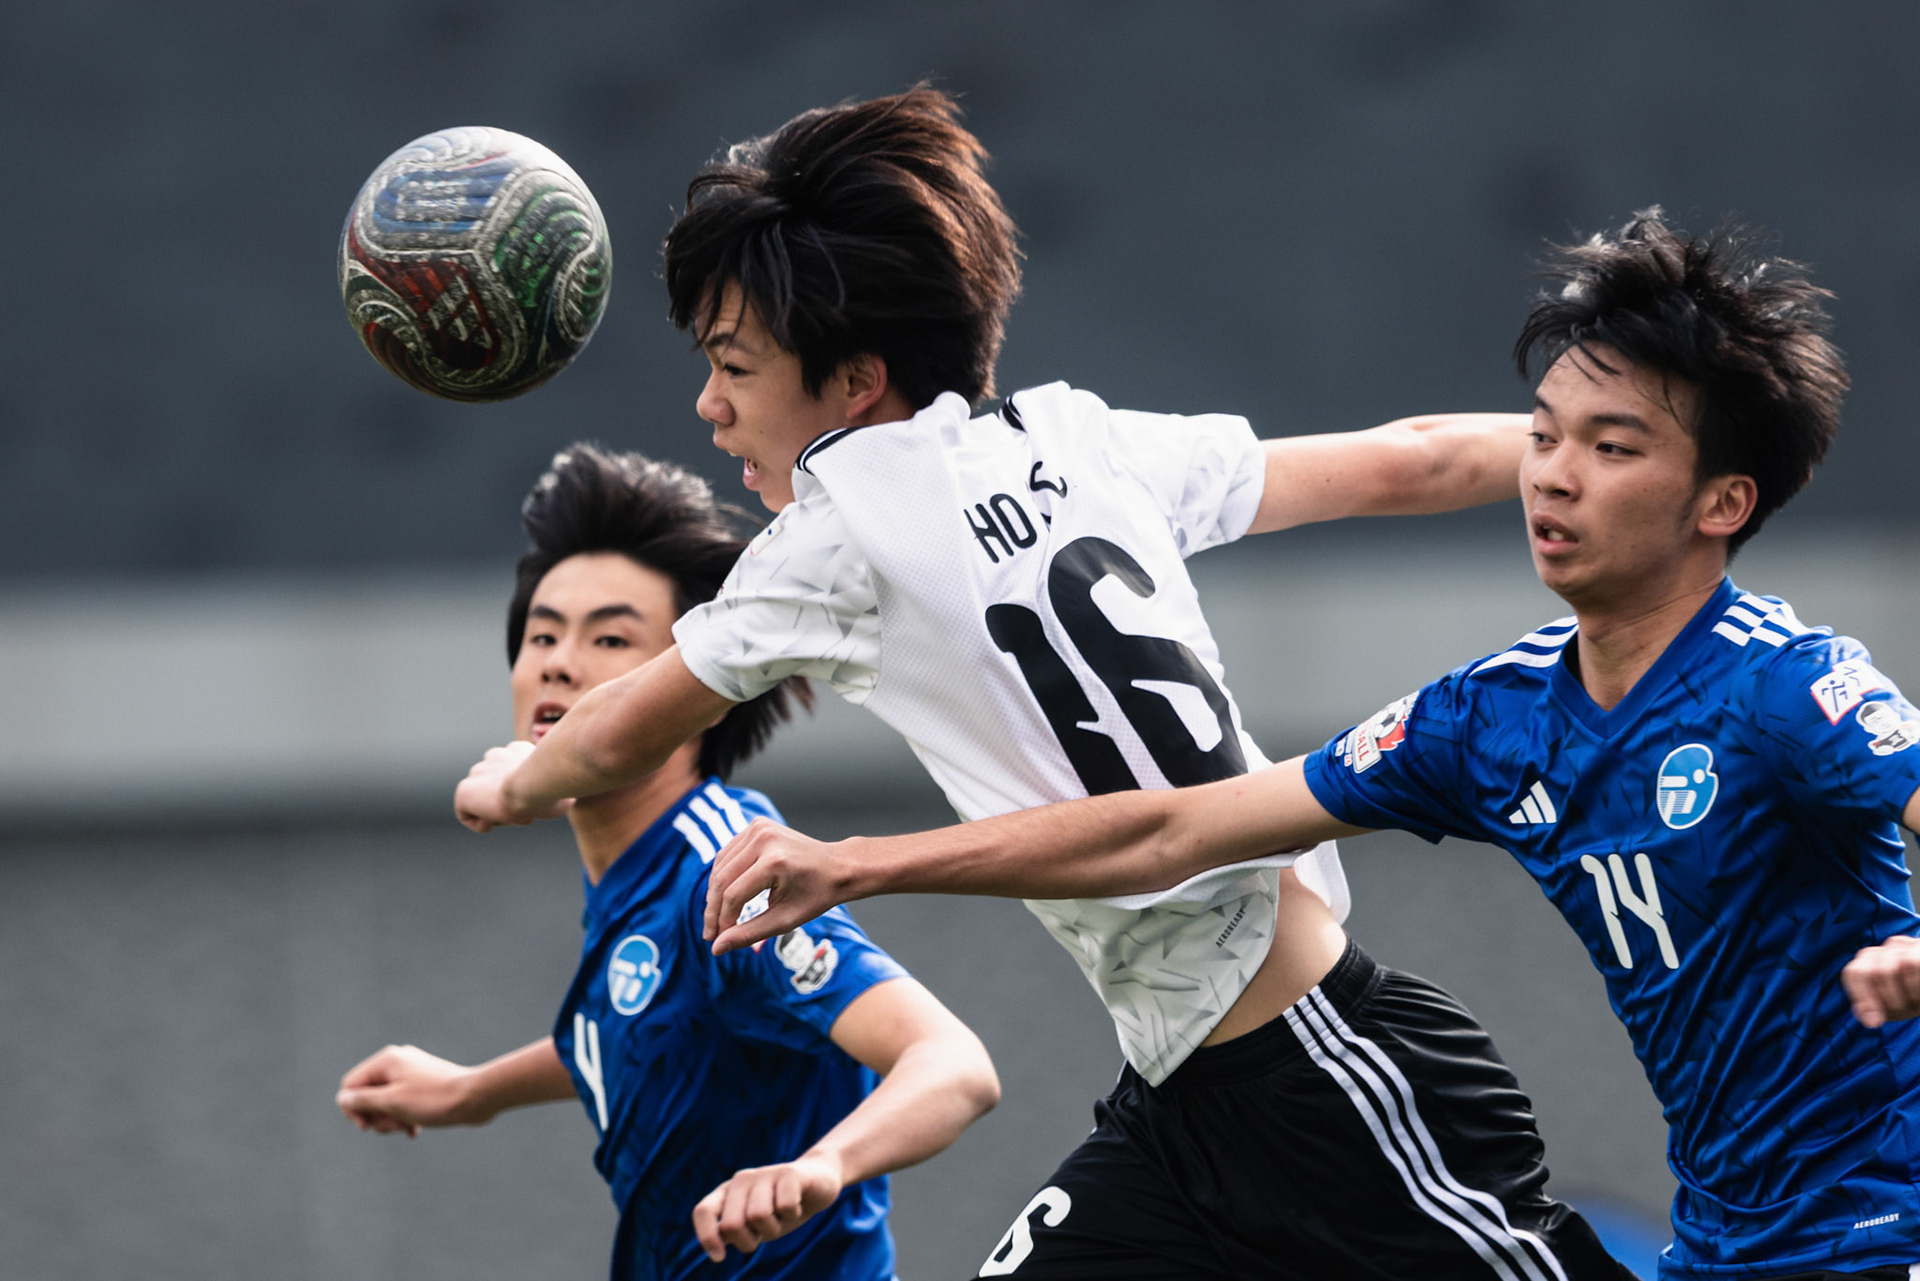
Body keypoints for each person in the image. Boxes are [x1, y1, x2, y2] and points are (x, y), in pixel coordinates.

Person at [455, 89, 1630, 1279]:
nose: (709, 406)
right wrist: (1604, 453)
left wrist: (512, 781)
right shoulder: (1081, 440)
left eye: (734, 366)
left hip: (1327, 1075)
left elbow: (616, 738)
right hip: (1185, 1107)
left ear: (856, 381)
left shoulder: (838, 530)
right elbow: (1411, 459)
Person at [702, 211, 1920, 1281]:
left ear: (1724, 503)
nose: (1554, 478)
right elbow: (1174, 825)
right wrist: (865, 865)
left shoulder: (1789, 689)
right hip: (1728, 1248)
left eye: (1612, 450)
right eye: (1543, 437)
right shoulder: (1491, 717)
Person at [337, 444, 999, 1280]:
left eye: (610, 637)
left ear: (693, 685)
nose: (558, 661)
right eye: (542, 634)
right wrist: (473, 1091)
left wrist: (821, 1166)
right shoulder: (637, 874)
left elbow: (953, 1063)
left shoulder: (719, 870)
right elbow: (652, 1023)